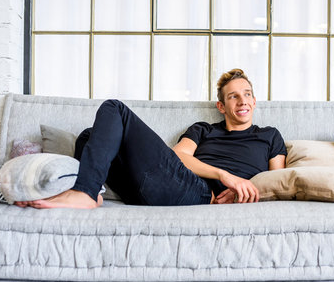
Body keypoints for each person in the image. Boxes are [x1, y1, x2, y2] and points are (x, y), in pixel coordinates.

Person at [15, 69, 287, 209]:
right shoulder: (203, 129)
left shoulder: (270, 136)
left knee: (114, 108)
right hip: (179, 183)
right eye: (233, 96)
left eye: (248, 94)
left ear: (254, 100)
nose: (243, 101)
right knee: (88, 136)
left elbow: (280, 184)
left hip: (201, 196)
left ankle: (84, 192)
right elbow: (180, 156)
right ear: (221, 106)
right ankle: (92, 193)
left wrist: (244, 192)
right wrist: (224, 175)